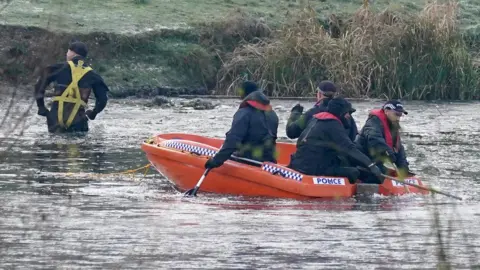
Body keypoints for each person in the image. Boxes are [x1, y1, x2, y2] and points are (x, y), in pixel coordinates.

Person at [288, 97, 384, 184]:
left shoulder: (317, 118)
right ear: (341, 113)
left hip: (300, 163)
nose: (349, 116)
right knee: (354, 172)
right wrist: (371, 165)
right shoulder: (332, 124)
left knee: (350, 164)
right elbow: (349, 148)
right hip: (313, 169)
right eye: (348, 113)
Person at [34, 41, 109, 133]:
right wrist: (93, 113)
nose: (66, 54)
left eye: (67, 52)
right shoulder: (93, 75)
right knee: (78, 144)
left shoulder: (58, 68)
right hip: (78, 120)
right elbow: (102, 99)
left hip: (55, 118)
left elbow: (39, 86)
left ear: (72, 53)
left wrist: (41, 107)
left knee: (54, 145)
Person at [204, 81, 279, 169]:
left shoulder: (244, 113)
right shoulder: (272, 114)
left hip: (249, 161)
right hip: (269, 162)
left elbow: (233, 141)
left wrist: (215, 161)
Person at [355, 100, 410, 179]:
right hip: (363, 159)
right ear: (387, 111)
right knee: (379, 175)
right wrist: (388, 153)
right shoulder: (373, 122)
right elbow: (375, 140)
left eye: (400, 115)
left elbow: (399, 148)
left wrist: (403, 166)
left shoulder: (393, 125)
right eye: (397, 114)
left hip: (376, 160)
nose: (398, 117)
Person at [286, 80, 358, 141]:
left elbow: (291, 132)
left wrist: (295, 113)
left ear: (319, 94)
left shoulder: (312, 113)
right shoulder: (345, 114)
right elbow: (354, 135)